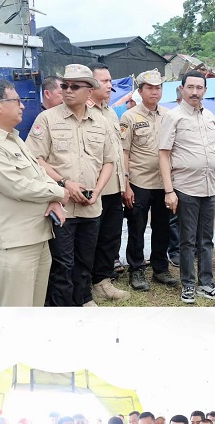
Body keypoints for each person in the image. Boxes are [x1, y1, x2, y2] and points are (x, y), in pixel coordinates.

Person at [0, 80, 68, 306]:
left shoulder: (14, 139)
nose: (22, 106)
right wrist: (59, 192)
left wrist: (53, 198)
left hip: (38, 237)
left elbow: (38, 172)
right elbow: (16, 185)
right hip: (14, 243)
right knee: (14, 316)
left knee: (34, 311)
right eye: (16, 100)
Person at [25, 64, 116, 307]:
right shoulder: (47, 119)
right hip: (61, 206)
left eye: (75, 86)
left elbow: (109, 161)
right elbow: (34, 159)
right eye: (64, 85)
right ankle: (61, 309)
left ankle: (83, 300)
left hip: (91, 205)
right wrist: (64, 183)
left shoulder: (101, 122)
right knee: (62, 263)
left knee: (85, 259)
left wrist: (97, 190)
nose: (67, 90)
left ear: (89, 91)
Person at [159, 70, 215, 304]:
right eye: (190, 87)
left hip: (210, 187)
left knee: (206, 239)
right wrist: (169, 190)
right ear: (182, 89)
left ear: (205, 91)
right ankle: (188, 285)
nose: (195, 92)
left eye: (199, 88)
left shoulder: (210, 116)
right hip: (186, 188)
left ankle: (206, 284)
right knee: (187, 240)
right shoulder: (174, 116)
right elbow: (164, 155)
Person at [121, 68, 178, 292]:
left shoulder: (168, 115)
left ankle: (160, 268)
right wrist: (125, 185)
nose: (154, 92)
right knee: (136, 227)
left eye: (158, 88)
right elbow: (123, 152)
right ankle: (136, 269)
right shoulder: (129, 117)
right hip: (139, 182)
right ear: (140, 90)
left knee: (163, 227)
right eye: (150, 88)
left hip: (163, 183)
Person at [86, 63, 129, 303]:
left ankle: (103, 281)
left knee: (110, 237)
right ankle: (86, 285)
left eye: (111, 80)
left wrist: (124, 183)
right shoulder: (85, 112)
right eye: (104, 81)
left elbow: (117, 153)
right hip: (95, 189)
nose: (110, 85)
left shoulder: (111, 113)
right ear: (90, 85)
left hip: (114, 187)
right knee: (91, 238)